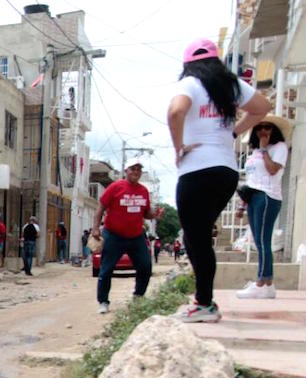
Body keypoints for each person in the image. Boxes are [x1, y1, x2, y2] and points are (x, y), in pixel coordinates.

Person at [167, 38, 271, 322]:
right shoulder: (232, 85)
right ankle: (203, 301)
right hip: (226, 171)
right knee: (199, 237)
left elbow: (176, 112)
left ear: (188, 64)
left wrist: (179, 147)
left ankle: (204, 304)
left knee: (195, 238)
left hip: (196, 169)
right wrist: (234, 131)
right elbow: (262, 106)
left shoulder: (189, 84)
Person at [91, 157, 161, 314]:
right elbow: (100, 208)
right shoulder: (115, 187)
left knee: (145, 267)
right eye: (133, 169)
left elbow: (146, 213)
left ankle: (138, 296)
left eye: (138, 169)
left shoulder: (143, 191)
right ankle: (103, 301)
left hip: (136, 236)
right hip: (113, 235)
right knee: (106, 269)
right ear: (126, 171)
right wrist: (96, 228)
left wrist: (155, 214)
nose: (136, 172)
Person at [236, 115, 290, 299]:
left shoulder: (279, 148)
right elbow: (251, 180)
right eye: (260, 128)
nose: (263, 131)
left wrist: (265, 149)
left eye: (268, 127)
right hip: (253, 197)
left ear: (274, 130)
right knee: (258, 241)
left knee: (263, 240)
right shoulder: (255, 152)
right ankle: (266, 284)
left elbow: (273, 169)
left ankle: (262, 281)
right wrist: (242, 206)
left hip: (267, 196)